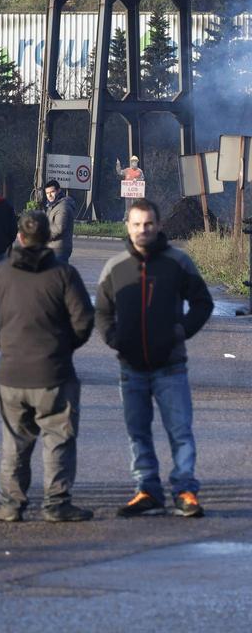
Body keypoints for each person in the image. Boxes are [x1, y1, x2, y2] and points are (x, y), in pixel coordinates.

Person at [96, 199, 214, 518]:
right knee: (138, 433)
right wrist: (114, 339)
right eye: (136, 224)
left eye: (148, 224)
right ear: (128, 226)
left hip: (170, 366)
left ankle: (185, 489)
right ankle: (147, 489)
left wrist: (181, 331)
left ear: (159, 225)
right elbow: (103, 312)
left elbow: (203, 303)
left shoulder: (178, 262)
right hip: (130, 367)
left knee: (180, 431)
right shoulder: (116, 267)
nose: (142, 230)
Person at [0, 210, 95, 523]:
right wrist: (62, 348)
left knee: (14, 443)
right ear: (47, 238)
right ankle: (56, 503)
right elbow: (83, 320)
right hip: (53, 373)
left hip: (12, 373)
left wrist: (6, 346)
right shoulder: (63, 275)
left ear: (19, 237)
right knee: (58, 438)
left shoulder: (1, 273)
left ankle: (11, 505)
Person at [43, 179, 76, 263]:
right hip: (53, 247)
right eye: (47, 193)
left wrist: (43, 236)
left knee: (57, 275)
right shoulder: (52, 206)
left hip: (58, 249)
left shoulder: (62, 207)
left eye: (52, 192)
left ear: (58, 191)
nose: (49, 195)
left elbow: (59, 228)